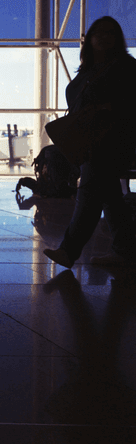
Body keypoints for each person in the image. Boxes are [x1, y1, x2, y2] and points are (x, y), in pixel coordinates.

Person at [44, 16, 136, 268]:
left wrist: (107, 107)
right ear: (90, 39)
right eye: (99, 33)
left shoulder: (125, 68)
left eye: (110, 33)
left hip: (112, 141)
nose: (104, 37)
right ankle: (126, 251)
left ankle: (68, 250)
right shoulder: (89, 71)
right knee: (110, 197)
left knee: (90, 190)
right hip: (94, 141)